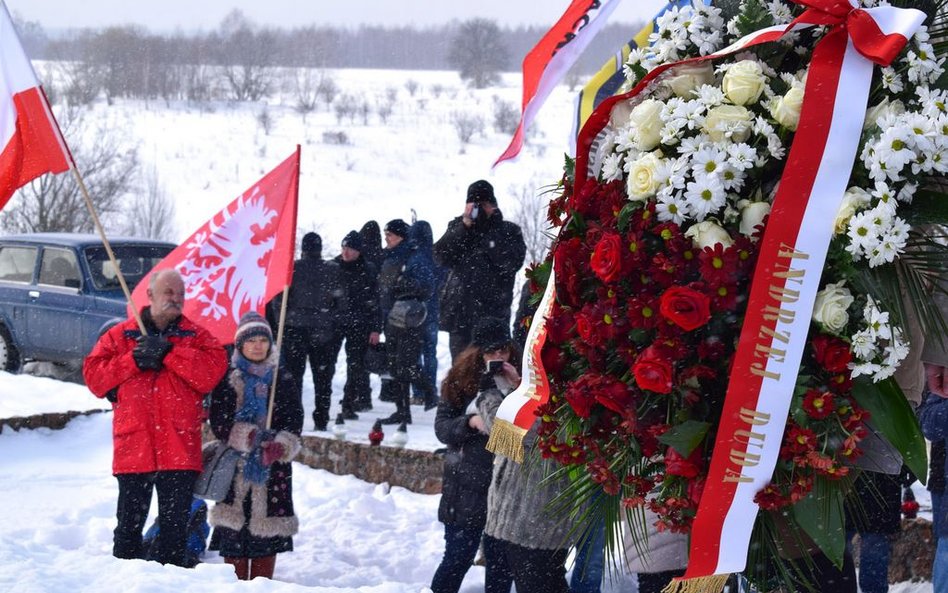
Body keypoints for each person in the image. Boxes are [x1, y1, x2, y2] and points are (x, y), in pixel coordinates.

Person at [83, 269, 228, 567]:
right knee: (127, 533)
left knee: (174, 537)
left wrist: (170, 354)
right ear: (149, 296)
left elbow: (210, 373)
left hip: (178, 447)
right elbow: (94, 378)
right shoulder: (121, 335)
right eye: (169, 292)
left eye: (181, 294)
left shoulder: (197, 337)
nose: (176, 299)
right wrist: (132, 360)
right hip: (134, 446)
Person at [478, 323, 577, 593]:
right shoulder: (548, 390)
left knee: (540, 584)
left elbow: (507, 435)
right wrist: (515, 386)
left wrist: (487, 395)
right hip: (523, 520)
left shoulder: (563, 395)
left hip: (536, 522)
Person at [207, 312, 303, 580]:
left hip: (272, 470)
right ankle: (236, 583)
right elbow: (220, 420)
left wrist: (281, 444)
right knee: (234, 533)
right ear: (240, 345)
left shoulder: (281, 378)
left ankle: (262, 584)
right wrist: (248, 437)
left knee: (265, 535)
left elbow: (295, 420)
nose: (258, 345)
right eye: (252, 340)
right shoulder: (229, 378)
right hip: (234, 466)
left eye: (263, 340)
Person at [430, 317, 520, 593]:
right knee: (458, 557)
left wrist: (516, 387)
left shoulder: (519, 380)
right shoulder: (460, 379)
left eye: (503, 350)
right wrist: (469, 423)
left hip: (503, 484)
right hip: (466, 484)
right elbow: (442, 428)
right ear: (478, 353)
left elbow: (519, 433)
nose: (498, 357)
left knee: (501, 566)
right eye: (491, 352)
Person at [434, 179, 526, 360]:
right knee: (461, 373)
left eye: (481, 204)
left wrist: (487, 234)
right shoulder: (458, 227)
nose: (477, 209)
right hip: (461, 316)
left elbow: (512, 262)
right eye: (473, 205)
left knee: (493, 372)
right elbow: (440, 255)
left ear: (492, 205)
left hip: (493, 314)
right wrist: (464, 227)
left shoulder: (508, 230)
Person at [269, 232, 344, 430]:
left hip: (295, 328)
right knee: (323, 378)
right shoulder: (332, 270)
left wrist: (281, 324)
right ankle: (321, 417)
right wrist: (331, 322)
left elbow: (279, 301)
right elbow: (340, 302)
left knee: (294, 378)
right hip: (323, 330)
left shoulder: (292, 269)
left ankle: (295, 418)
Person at [378, 219, 435, 425]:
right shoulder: (391, 256)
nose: (387, 240)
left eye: (390, 236)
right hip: (392, 317)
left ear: (401, 236)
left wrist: (402, 286)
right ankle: (402, 410)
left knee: (406, 365)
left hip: (409, 319)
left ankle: (430, 393)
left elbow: (427, 286)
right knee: (395, 367)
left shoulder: (414, 257)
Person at [332, 230, 382, 414]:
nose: (346, 252)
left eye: (351, 249)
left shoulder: (368, 270)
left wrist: (376, 328)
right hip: (335, 322)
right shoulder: (333, 267)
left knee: (356, 365)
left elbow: (376, 301)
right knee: (328, 363)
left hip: (359, 323)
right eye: (344, 248)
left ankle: (349, 402)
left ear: (359, 251)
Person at [408, 220, 441, 410]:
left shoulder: (413, 257)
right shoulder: (436, 256)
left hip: (415, 311)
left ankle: (419, 392)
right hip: (433, 310)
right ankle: (430, 390)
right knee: (430, 353)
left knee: (414, 354)